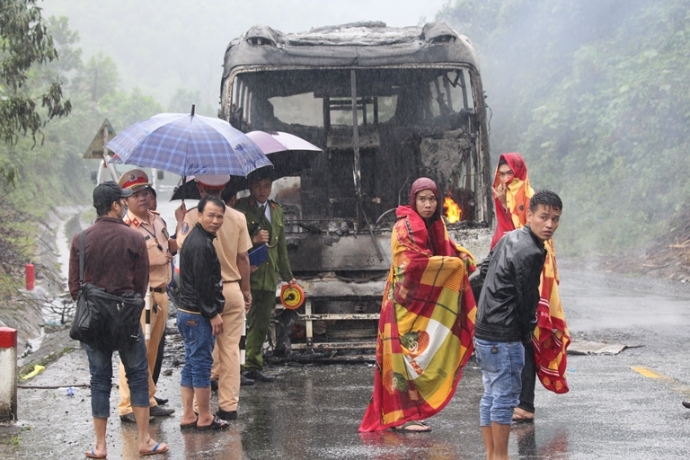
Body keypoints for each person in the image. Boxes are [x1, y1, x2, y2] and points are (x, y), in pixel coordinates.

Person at [359, 177, 477, 433]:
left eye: (432, 199)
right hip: (404, 304)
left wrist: (460, 257)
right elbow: (412, 266)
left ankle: (409, 414)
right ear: (413, 200)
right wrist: (454, 265)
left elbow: (446, 249)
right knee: (404, 359)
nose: (428, 204)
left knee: (420, 357)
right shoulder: (405, 226)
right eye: (422, 199)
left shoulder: (435, 224)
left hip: (419, 305)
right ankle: (402, 417)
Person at [68, 182, 168, 458]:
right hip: (126, 318)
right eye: (123, 201)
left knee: (100, 380)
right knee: (137, 376)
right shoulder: (134, 238)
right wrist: (123, 303)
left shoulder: (81, 239)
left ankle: (100, 446)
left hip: (94, 322)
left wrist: (97, 302)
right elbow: (141, 284)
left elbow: (74, 287)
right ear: (114, 205)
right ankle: (144, 440)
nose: (125, 204)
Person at [475, 190, 562, 460]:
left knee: (491, 393)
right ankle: (501, 456)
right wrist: (526, 333)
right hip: (505, 334)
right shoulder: (532, 251)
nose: (549, 224)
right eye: (544, 217)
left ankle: (492, 454)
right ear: (530, 215)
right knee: (504, 398)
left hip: (484, 331)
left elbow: (483, 271)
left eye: (555, 219)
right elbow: (527, 299)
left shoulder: (508, 237)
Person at [491, 153, 571, 424]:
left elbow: (519, 238)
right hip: (513, 276)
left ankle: (525, 404)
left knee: (526, 340)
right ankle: (520, 401)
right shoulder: (507, 197)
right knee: (518, 341)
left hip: (530, 278)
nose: (505, 180)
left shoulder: (529, 199)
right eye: (501, 174)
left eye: (510, 174)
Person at [176, 175, 254, 421]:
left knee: (201, 352)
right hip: (231, 288)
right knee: (230, 350)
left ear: (200, 188)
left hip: (205, 294)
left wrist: (180, 222)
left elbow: (181, 248)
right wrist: (246, 290)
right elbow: (243, 258)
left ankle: (197, 409)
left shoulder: (193, 216)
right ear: (225, 188)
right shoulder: (238, 217)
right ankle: (229, 405)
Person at [115, 170, 175, 423]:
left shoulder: (158, 221)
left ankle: (147, 399)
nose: (142, 198)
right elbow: (122, 264)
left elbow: (168, 247)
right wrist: (153, 261)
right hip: (142, 296)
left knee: (152, 351)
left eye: (144, 193)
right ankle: (127, 405)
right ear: (125, 201)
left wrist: (175, 241)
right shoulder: (125, 228)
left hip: (161, 294)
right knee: (134, 351)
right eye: (135, 195)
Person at [235, 167, 296, 383]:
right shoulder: (241, 209)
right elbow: (233, 241)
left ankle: (253, 364)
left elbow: (281, 247)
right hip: (249, 273)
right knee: (243, 322)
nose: (262, 190)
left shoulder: (276, 210)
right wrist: (253, 240)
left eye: (266, 186)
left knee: (261, 323)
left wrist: (288, 276)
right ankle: (238, 366)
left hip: (269, 274)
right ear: (251, 187)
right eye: (257, 186)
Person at [177, 194, 230, 430]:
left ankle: (189, 414)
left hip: (187, 312)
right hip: (197, 314)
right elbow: (203, 285)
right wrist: (213, 313)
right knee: (201, 364)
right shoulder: (201, 244)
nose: (216, 220)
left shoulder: (199, 239)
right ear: (199, 215)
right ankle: (205, 416)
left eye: (220, 216)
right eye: (211, 215)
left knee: (191, 362)